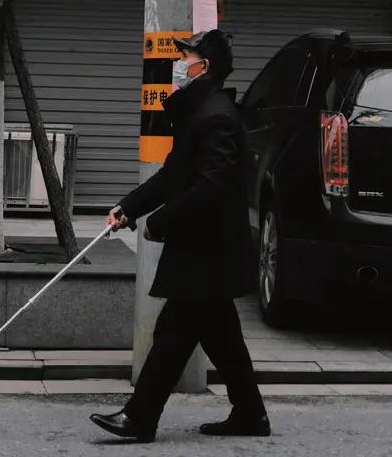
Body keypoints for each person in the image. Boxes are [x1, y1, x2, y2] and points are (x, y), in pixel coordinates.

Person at [89, 29, 269, 443]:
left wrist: (160, 221)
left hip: (207, 249)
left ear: (202, 66)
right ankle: (250, 414)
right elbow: (173, 174)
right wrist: (128, 209)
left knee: (175, 332)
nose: (178, 63)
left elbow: (211, 186)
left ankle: (140, 417)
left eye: (185, 56)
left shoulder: (216, 116)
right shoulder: (201, 112)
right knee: (220, 337)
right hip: (206, 250)